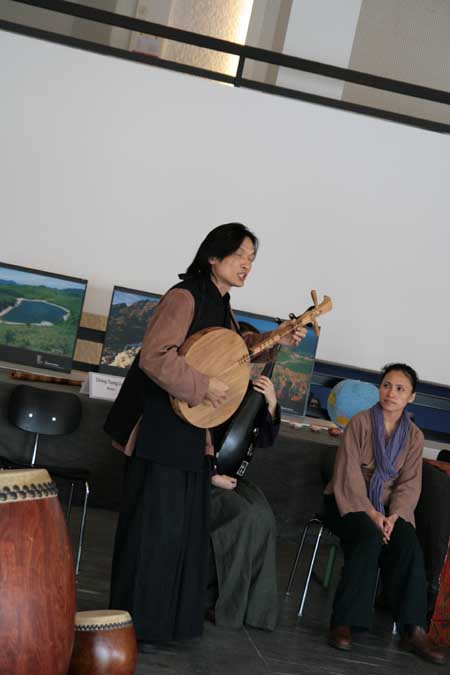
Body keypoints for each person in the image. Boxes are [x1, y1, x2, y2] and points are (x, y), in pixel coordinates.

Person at [106, 223, 305, 651]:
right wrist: (202, 387)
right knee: (153, 532)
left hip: (191, 435)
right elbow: (155, 357)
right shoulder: (184, 297)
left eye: (252, 258)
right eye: (240, 255)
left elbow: (236, 352)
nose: (247, 264)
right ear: (213, 256)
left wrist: (280, 338)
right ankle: (134, 626)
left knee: (180, 534)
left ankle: (165, 625)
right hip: (159, 432)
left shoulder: (221, 304)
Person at [323, 363, 447, 665]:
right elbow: (349, 476)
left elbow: (409, 484)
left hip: (390, 509)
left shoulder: (414, 436)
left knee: (408, 544)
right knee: (368, 537)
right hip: (348, 501)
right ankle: (344, 622)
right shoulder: (360, 423)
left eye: (400, 389)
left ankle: (413, 630)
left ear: (411, 397)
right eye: (387, 386)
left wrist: (395, 516)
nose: (391, 393)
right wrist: (371, 512)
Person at [206, 373, 281, 631]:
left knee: (264, 517)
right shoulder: (206, 381)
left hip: (229, 478)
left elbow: (263, 440)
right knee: (243, 516)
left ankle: (256, 611)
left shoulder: (247, 392)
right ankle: (224, 604)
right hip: (200, 476)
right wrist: (211, 475)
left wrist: (271, 402)